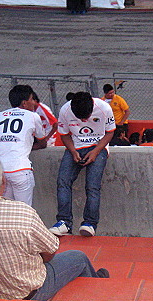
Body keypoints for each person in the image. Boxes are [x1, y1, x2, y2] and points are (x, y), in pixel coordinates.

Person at [0, 150, 109, 301]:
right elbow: (51, 250)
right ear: (3, 181)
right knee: (78, 257)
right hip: (26, 293)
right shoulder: (22, 212)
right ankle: (97, 286)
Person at [49, 91, 115, 238]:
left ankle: (90, 223)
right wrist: (73, 152)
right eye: (80, 118)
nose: (84, 120)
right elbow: (64, 134)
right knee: (63, 181)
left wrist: (96, 152)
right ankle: (64, 222)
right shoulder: (65, 110)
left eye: (87, 117)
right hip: (75, 146)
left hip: (98, 146)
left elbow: (110, 133)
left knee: (92, 185)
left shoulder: (104, 108)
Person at [0, 85, 48, 206]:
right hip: (20, 169)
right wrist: (26, 146)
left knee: (6, 210)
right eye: (32, 99)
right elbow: (43, 143)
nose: (34, 103)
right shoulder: (33, 116)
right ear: (24, 103)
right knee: (24, 211)